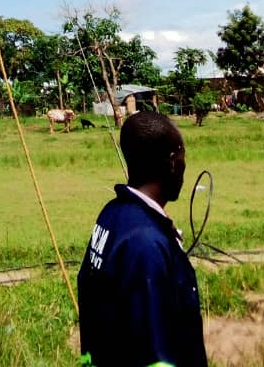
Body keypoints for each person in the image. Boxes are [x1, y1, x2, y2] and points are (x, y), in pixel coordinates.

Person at [77, 110, 207, 367]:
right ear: (171, 162)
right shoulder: (146, 244)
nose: (183, 166)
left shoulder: (112, 215)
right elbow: (155, 353)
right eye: (182, 157)